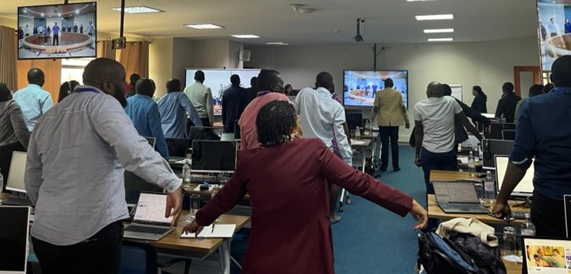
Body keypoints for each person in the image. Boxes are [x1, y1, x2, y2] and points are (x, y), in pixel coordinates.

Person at [182, 101, 428, 274]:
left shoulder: (249, 160)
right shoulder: (313, 150)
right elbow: (360, 182)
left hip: (263, 257)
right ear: (290, 127)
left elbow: (225, 197)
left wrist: (200, 219)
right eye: (297, 119)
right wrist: (407, 203)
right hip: (308, 255)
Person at [24, 58, 182, 273]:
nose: (127, 87)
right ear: (108, 85)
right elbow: (134, 152)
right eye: (123, 81)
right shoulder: (103, 103)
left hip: (46, 234)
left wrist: (46, 207)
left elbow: (32, 173)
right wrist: (171, 182)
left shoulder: (50, 115)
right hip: (92, 231)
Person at [493, 55, 571, 237]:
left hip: (550, 200)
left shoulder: (532, 107)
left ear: (551, 79)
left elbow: (520, 160)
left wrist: (502, 199)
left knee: (549, 259)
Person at [295, 72, 353, 223]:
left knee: (305, 183)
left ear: (316, 83)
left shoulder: (304, 93)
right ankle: (330, 216)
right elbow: (341, 138)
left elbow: (293, 114)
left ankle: (306, 216)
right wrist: (348, 162)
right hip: (324, 151)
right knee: (332, 182)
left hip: (302, 150)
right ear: (332, 86)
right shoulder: (336, 106)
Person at [413, 82, 482, 195]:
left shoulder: (419, 106)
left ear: (428, 92)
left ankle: (431, 210)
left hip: (428, 153)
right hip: (448, 153)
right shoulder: (451, 102)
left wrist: (417, 155)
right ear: (442, 93)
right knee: (450, 186)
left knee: (431, 188)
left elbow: (418, 133)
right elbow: (467, 124)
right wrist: (481, 139)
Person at [238, 69, 289, 150]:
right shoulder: (280, 98)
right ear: (273, 87)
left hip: (254, 159)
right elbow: (292, 132)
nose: (283, 87)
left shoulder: (246, 110)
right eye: (281, 84)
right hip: (275, 156)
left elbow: (244, 149)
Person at [124, 79, 169, 159]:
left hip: (128, 148)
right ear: (151, 90)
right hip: (146, 150)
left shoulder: (126, 102)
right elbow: (157, 132)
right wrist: (165, 154)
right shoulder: (151, 105)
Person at [372, 78, 409, 172]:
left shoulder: (379, 93)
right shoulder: (398, 93)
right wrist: (407, 121)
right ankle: (396, 166)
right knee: (394, 144)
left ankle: (384, 166)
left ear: (384, 85)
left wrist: (370, 119)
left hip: (383, 122)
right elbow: (403, 108)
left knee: (384, 145)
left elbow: (376, 108)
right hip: (395, 122)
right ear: (392, 85)